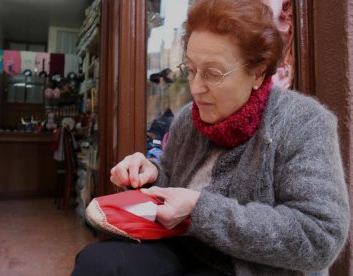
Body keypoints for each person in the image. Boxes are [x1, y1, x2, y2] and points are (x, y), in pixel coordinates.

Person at [71, 0, 350, 275]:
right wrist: (151, 175)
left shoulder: (303, 122)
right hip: (182, 247)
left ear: (258, 71)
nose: (195, 88)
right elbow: (171, 181)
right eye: (191, 69)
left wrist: (199, 209)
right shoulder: (187, 120)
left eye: (213, 73)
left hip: (249, 266)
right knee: (98, 262)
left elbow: (320, 237)